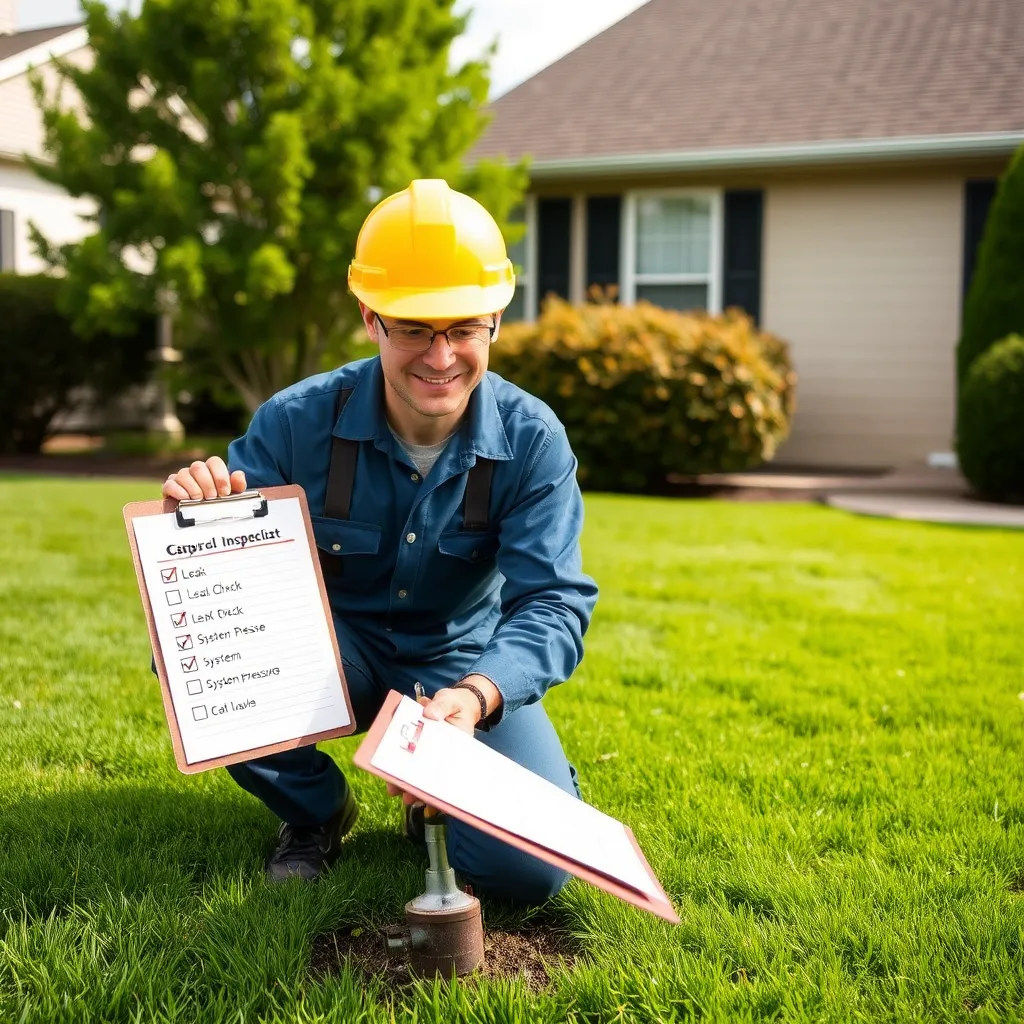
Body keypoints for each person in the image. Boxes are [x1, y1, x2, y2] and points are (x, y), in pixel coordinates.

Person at [161, 179, 598, 905]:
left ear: (495, 320)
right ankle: (317, 812)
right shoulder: (297, 421)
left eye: (462, 328)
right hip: (333, 651)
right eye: (414, 328)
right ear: (370, 318)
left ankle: (441, 793)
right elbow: (218, 583)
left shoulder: (532, 441)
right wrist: (197, 516)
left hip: (460, 664)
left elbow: (553, 603)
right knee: (194, 657)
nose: (440, 355)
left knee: (525, 876)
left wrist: (477, 695)